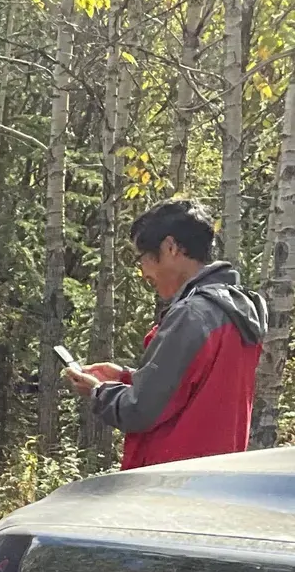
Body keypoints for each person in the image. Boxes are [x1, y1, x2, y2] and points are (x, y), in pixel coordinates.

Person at [66, 198, 266, 467]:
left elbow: (139, 410)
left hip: (171, 483)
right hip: (217, 477)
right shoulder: (235, 309)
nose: (143, 273)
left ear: (170, 247)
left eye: (142, 259)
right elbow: (195, 390)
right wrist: (127, 377)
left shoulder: (192, 315)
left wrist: (98, 391)